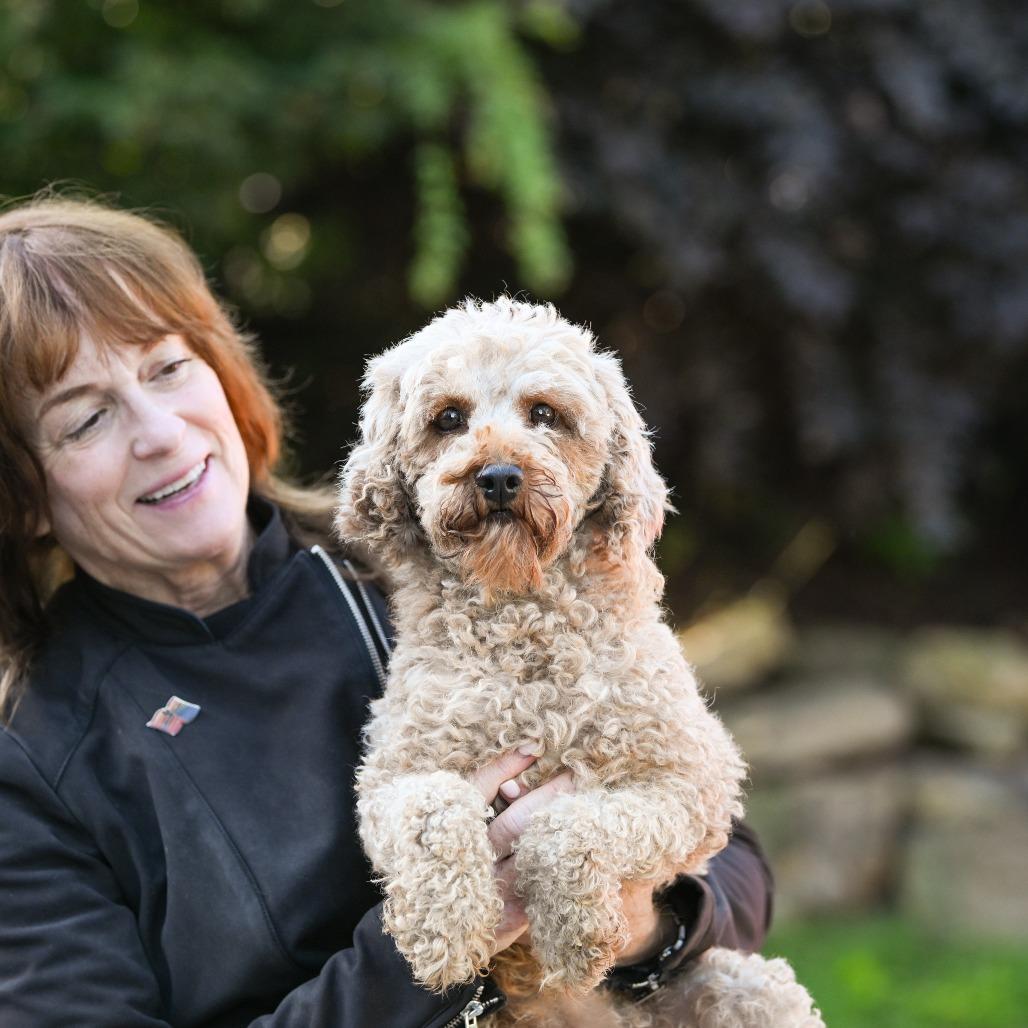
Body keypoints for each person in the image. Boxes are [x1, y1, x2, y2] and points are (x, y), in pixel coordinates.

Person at [0, 196, 774, 1026]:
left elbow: (734, 862)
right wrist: (453, 936)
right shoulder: (35, 772)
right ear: (22, 497)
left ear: (222, 375)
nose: (159, 431)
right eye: (85, 419)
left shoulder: (436, 557)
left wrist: (641, 926)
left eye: (166, 368)